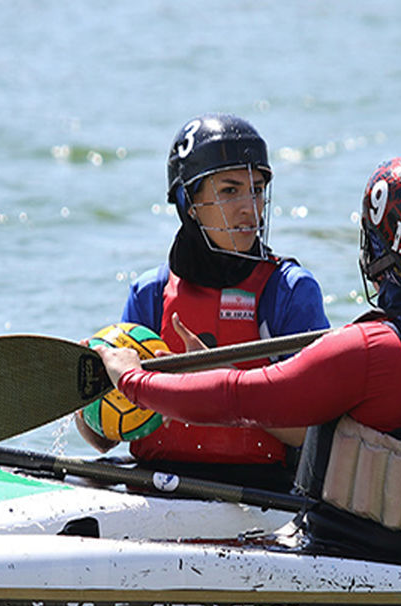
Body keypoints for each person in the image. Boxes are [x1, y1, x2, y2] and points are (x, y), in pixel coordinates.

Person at [95, 156, 401, 570]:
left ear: (376, 252)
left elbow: (239, 399)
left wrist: (131, 378)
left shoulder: (370, 350)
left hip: (332, 557)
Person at [76, 113, 329, 492]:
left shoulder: (289, 291)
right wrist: (91, 396)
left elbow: (315, 434)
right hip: (155, 487)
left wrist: (220, 383)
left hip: (263, 494)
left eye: (257, 189)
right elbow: (103, 440)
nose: (251, 208)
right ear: (189, 203)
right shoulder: (150, 293)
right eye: (230, 191)